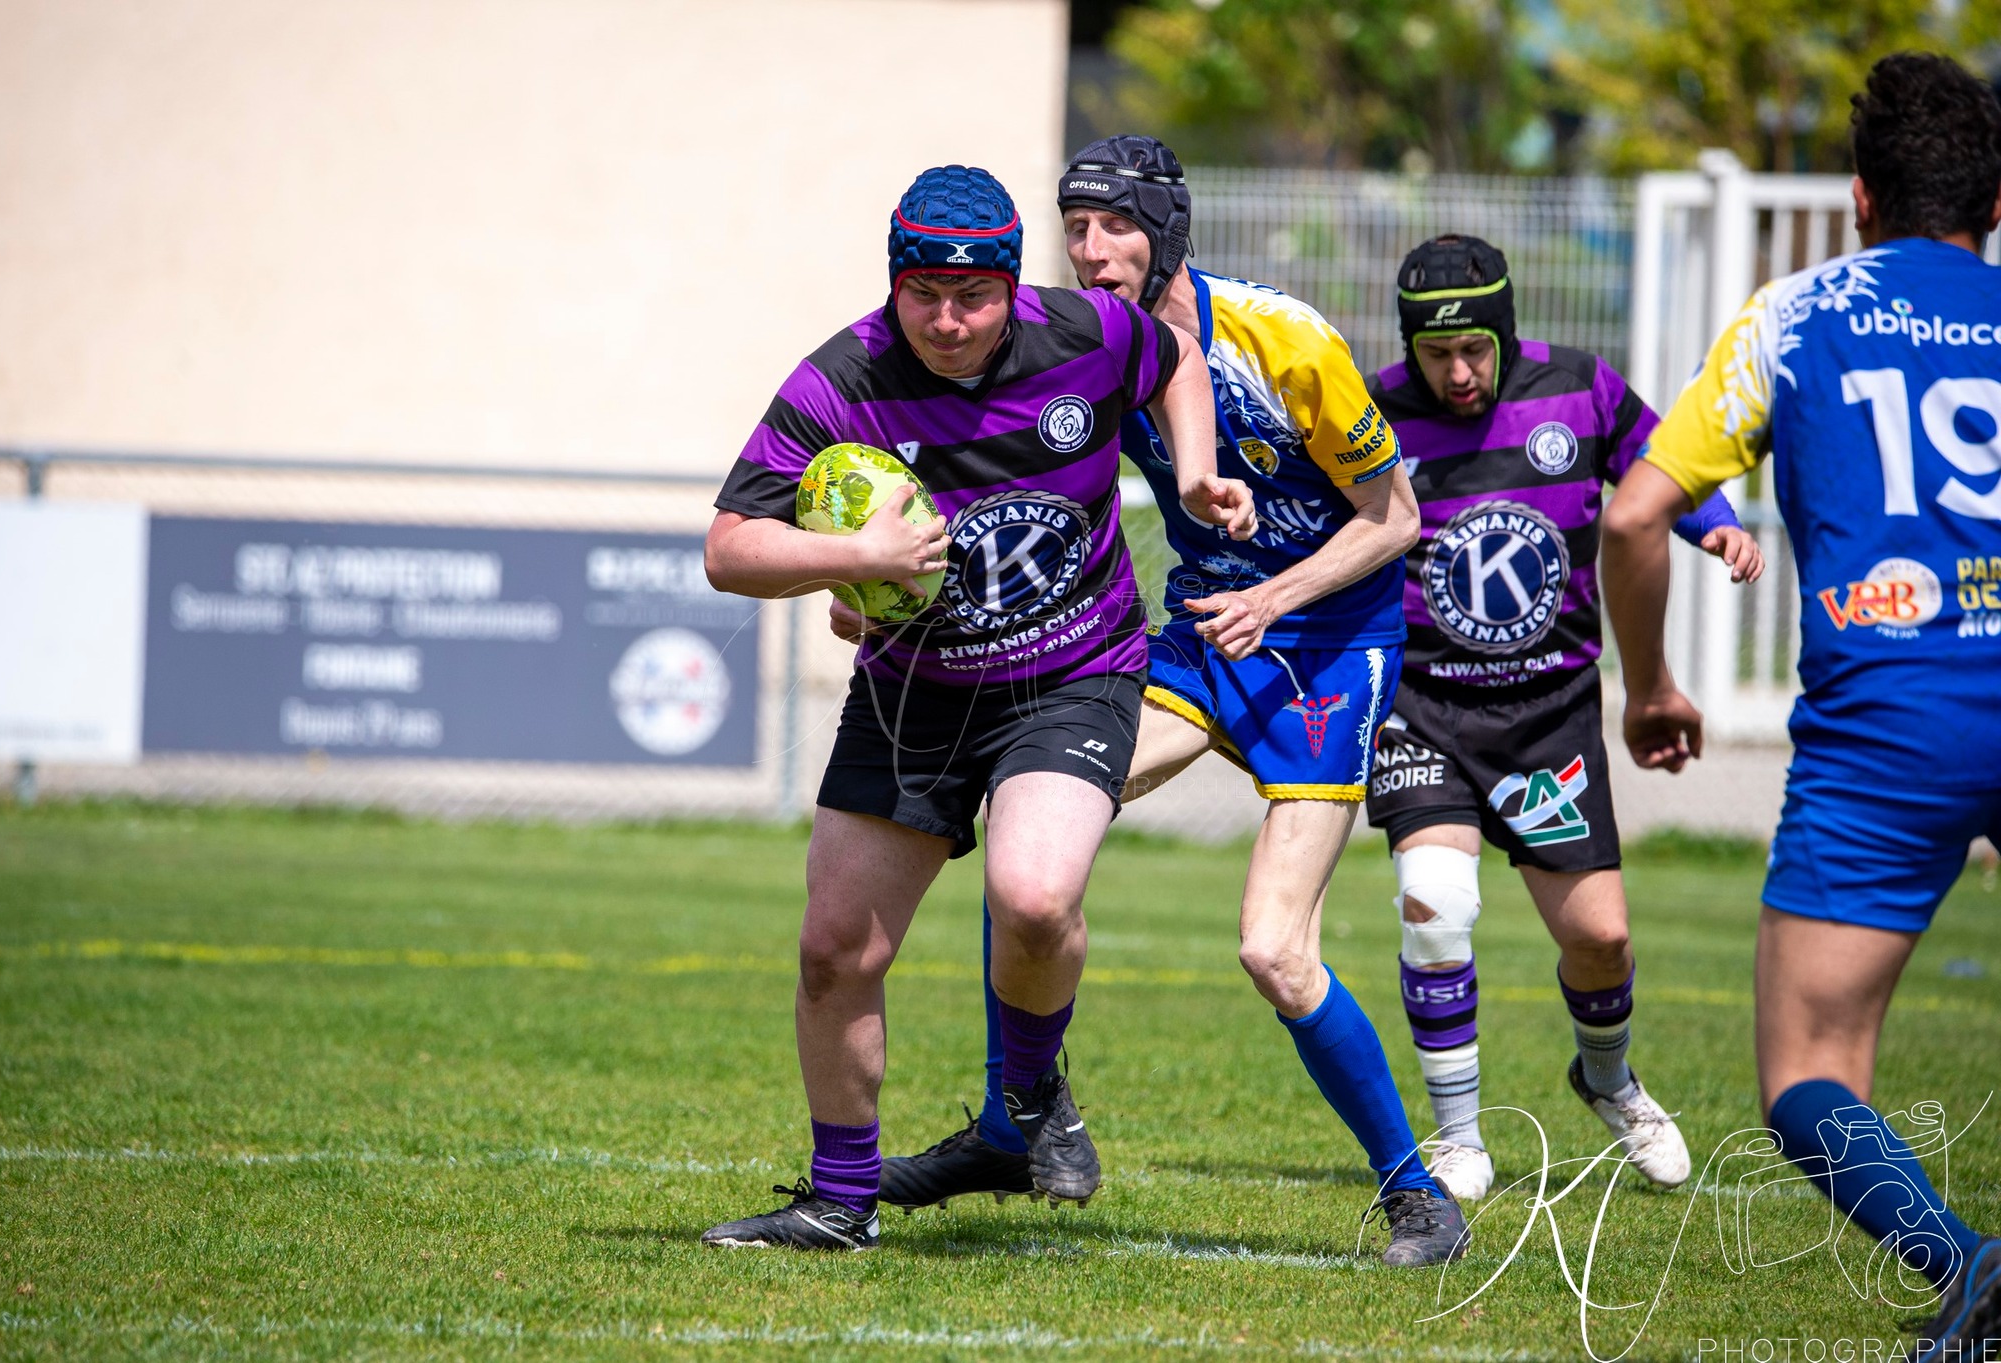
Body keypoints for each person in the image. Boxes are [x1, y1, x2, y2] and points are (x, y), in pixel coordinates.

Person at [853, 135, 1470, 1267]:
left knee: (1272, 950)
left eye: (1116, 226)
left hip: (1328, 645)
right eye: (1075, 227)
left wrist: (1274, 595)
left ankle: (1415, 1195)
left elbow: (1394, 520)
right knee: (1027, 829)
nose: (1091, 251)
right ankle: (1018, 1117)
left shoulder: (1281, 339)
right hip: (1199, 637)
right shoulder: (1093, 344)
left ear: (1168, 227)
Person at [699, 163, 1245, 1251]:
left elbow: (1178, 359)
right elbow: (728, 547)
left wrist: (1192, 474)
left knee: (1034, 896)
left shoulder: (1086, 333)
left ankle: (1028, 1103)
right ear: (894, 283)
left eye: (972, 296)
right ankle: (840, 1202)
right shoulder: (840, 376)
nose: (946, 320)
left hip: (1071, 672)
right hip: (913, 694)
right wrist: (847, 559)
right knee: (832, 950)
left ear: (1009, 285)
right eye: (923, 294)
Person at [1599, 52, 2001, 1355]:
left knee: (1813, 1070)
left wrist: (1653, 679)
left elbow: (1635, 512)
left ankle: (1969, 1264)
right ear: (1993, 211)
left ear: (1858, 198)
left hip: (1892, 720)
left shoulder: (1798, 313)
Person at [1359, 235, 1766, 1200]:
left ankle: (1607, 1077)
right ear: (1410, 347)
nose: (1457, 373)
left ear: (1504, 331)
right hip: (1425, 705)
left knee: (1601, 941)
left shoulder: (1580, 389)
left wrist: (1712, 528)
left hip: (1550, 715)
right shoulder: (1370, 407)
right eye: (1435, 355)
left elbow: (1653, 467)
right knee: (1436, 905)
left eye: (1474, 352)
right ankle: (1457, 1134)